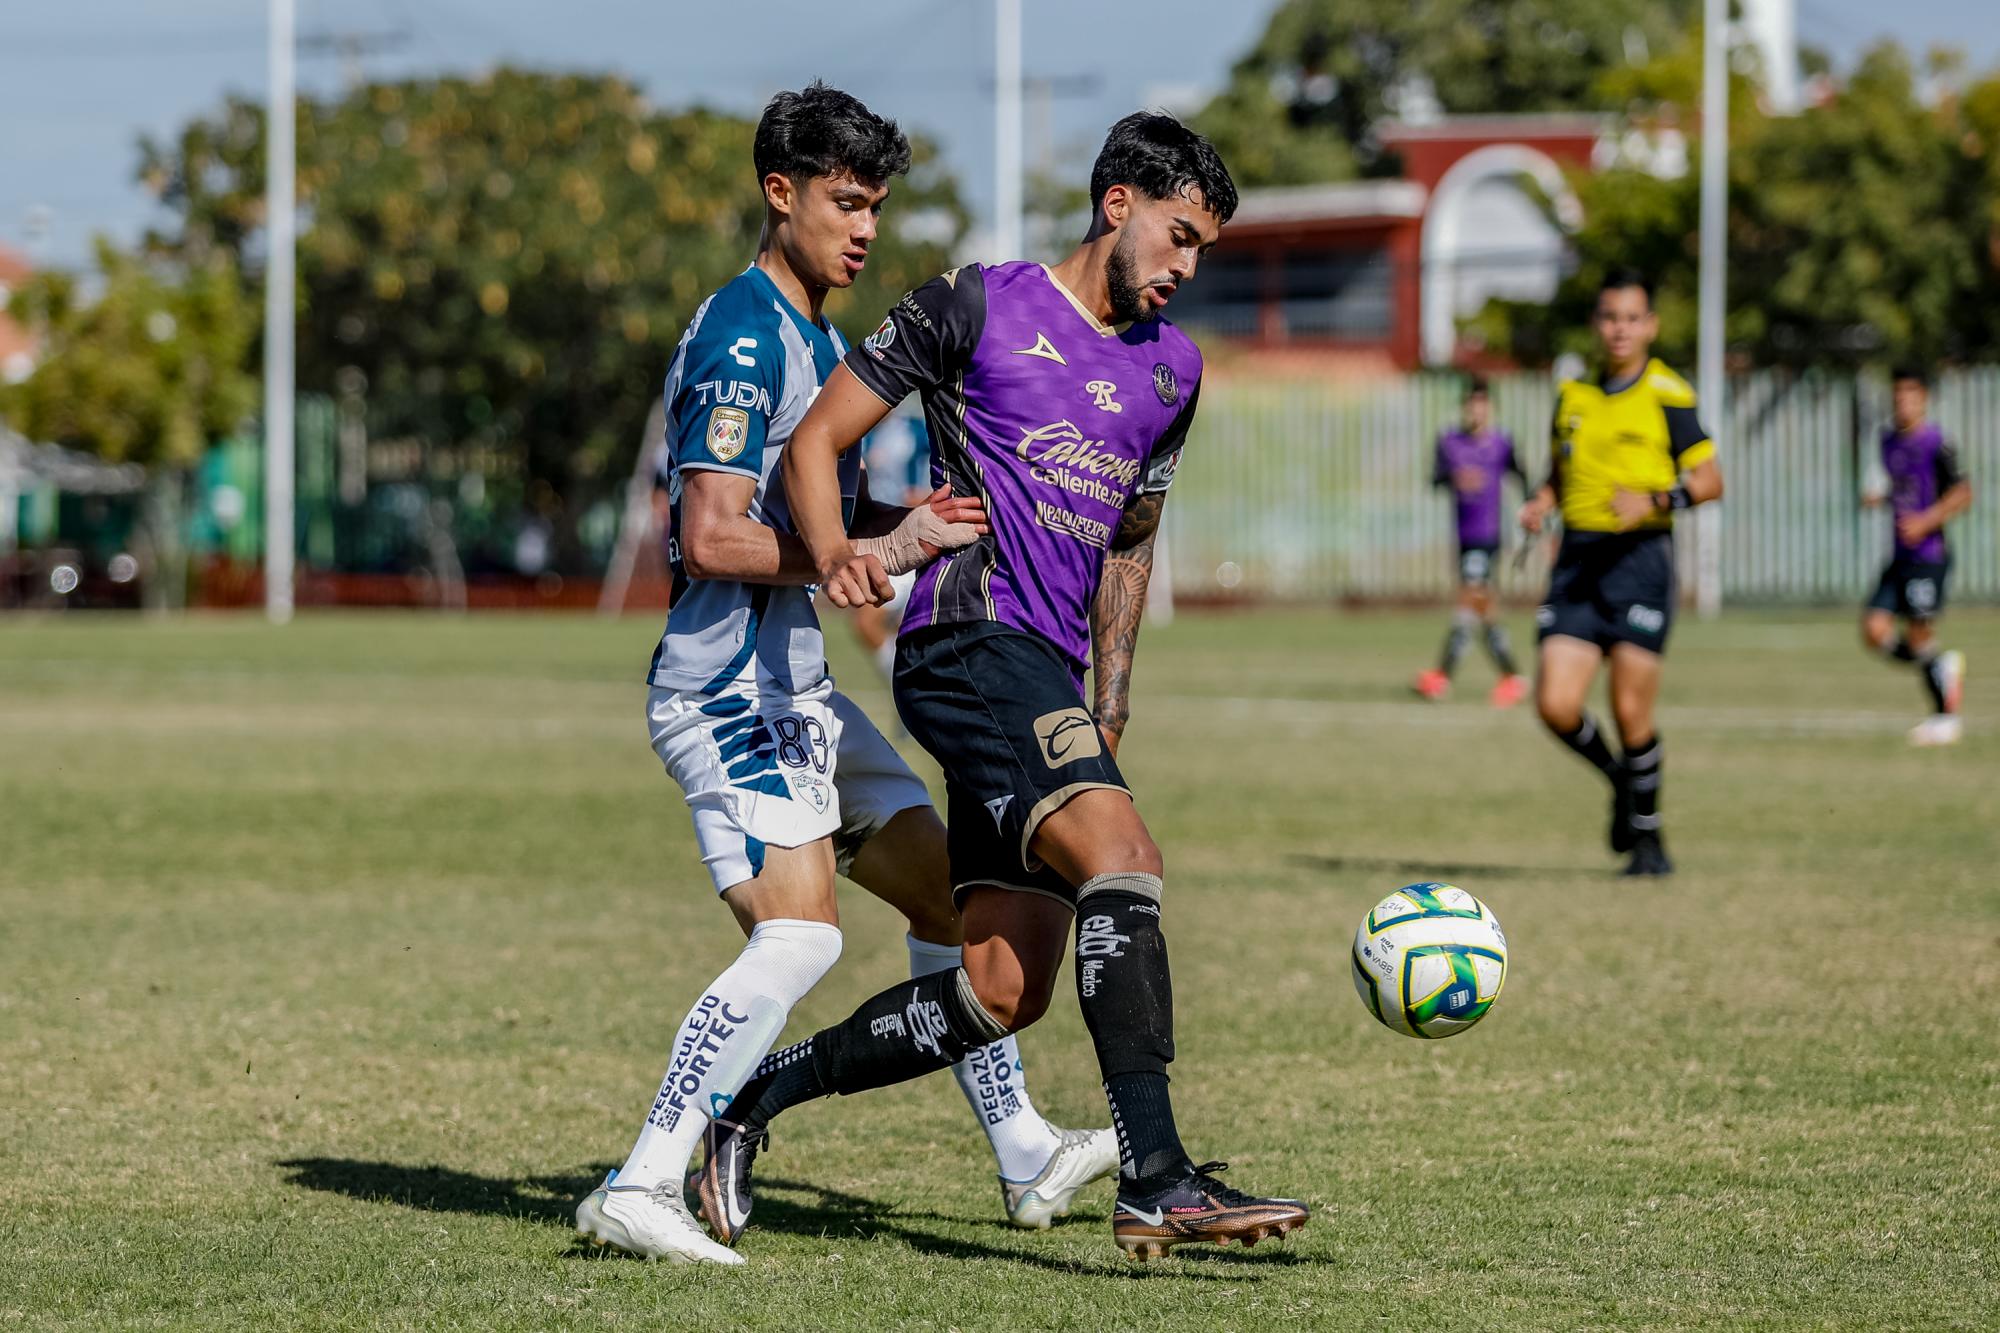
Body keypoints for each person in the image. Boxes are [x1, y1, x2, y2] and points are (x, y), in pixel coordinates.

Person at [694, 111, 1309, 1263]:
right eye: (1178, 235)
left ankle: (748, 1103)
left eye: (1204, 251)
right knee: (1123, 857)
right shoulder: (974, 303)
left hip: (1047, 674)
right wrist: (838, 555)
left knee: (997, 984)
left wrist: (1110, 694)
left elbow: (1130, 540)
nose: (1185, 268)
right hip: (962, 644)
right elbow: (814, 444)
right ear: (1115, 203)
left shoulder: (1172, 371)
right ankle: (1157, 1177)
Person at [574, 82, 1115, 1267]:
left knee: (949, 896)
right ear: (781, 195)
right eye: (843, 201)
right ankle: (641, 1177)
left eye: (876, 204)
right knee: (802, 939)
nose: (864, 227)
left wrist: (896, 526)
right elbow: (711, 534)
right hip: (724, 695)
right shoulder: (741, 333)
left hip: (799, 696)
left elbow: (820, 520)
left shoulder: (818, 338)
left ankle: (1023, 1152)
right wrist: (864, 553)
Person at [1518, 269, 1724, 877]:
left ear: (1651, 325)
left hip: (1640, 563)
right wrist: (1541, 501)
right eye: (1610, 317)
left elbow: (1711, 482)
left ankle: (1650, 844)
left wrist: (1657, 501)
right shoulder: (1573, 396)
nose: (1620, 329)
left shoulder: (1668, 393)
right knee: (1555, 703)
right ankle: (1622, 786)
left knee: (1631, 713)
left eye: (1632, 318)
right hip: (1578, 561)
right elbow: (1560, 474)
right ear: (1596, 323)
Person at [1861, 367, 1970, 745]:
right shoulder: (1887, 440)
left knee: (1920, 635)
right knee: (1874, 631)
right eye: (1897, 397)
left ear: (1923, 398)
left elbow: (1962, 493)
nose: (1903, 404)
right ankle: (1942, 666)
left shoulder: (1937, 442)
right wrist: (1882, 498)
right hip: (1900, 554)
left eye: (1910, 396)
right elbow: (1902, 486)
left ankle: (1945, 716)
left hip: (1929, 553)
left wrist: (1926, 521)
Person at [1413, 375, 1528, 706]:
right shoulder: (1449, 442)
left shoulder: (1502, 443)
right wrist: (1454, 478)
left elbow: (1523, 477)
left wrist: (1535, 514)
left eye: (1482, 405)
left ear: (1490, 408)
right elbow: (1435, 479)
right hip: (1462, 536)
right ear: (1464, 407)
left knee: (1469, 606)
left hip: (1488, 535)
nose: (1476, 412)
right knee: (1483, 609)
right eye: (1471, 405)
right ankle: (1511, 677)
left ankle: (1442, 676)